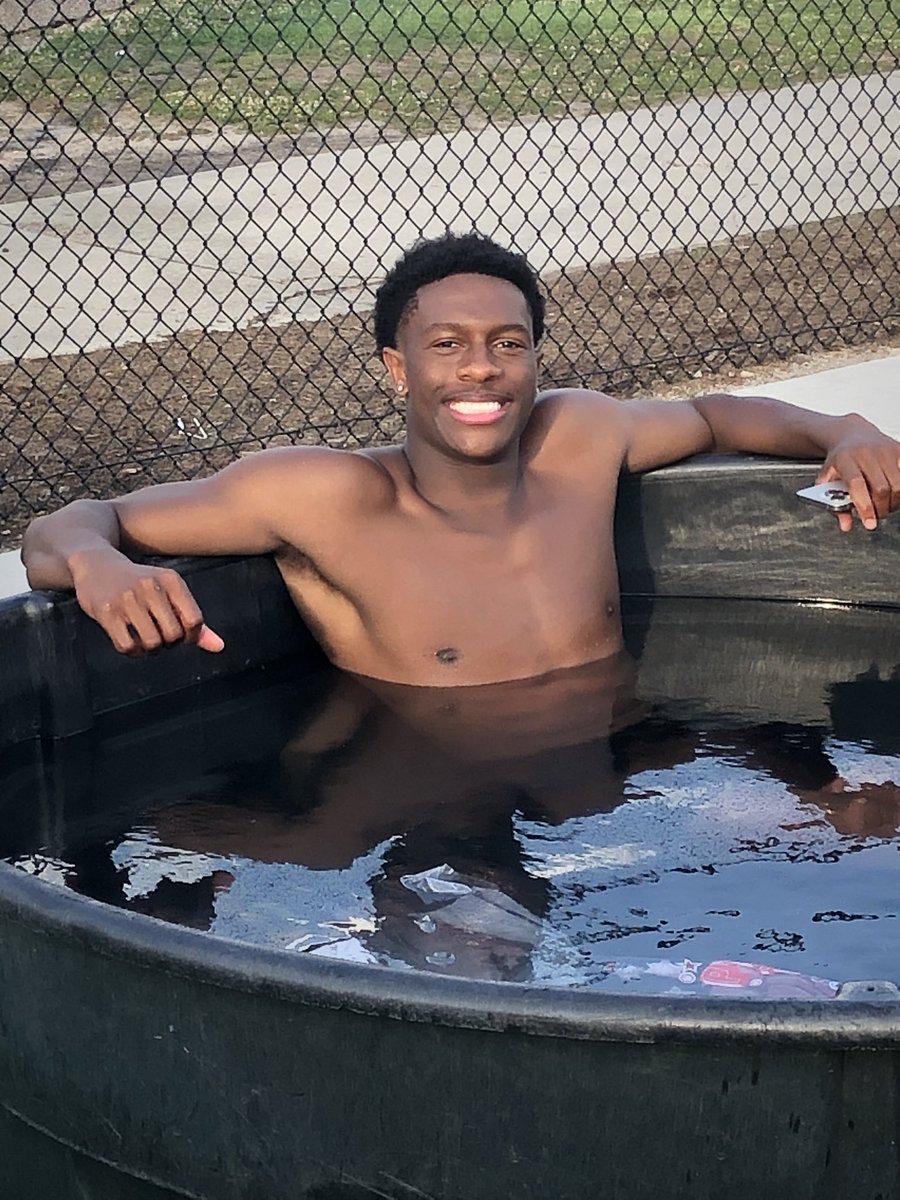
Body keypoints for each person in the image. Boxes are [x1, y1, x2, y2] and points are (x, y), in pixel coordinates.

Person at [21, 232, 900, 686]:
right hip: (427, 799)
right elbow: (64, 527)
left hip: (617, 769)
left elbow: (715, 416)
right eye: (447, 345)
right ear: (399, 370)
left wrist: (845, 430)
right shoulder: (323, 495)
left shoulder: (580, 440)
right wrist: (98, 565)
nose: (480, 367)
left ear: (535, 361)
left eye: (506, 343)